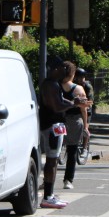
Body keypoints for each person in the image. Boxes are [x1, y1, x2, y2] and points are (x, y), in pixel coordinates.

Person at [38, 58, 86, 208]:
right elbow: (57, 106)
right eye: (62, 69)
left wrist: (72, 102)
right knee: (52, 161)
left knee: (53, 160)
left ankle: (49, 195)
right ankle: (48, 196)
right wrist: (74, 104)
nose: (64, 72)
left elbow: (60, 100)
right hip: (52, 126)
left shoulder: (52, 84)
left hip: (53, 125)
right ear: (56, 69)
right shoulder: (50, 84)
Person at [59, 62, 90, 190]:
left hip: (58, 120)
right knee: (72, 151)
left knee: (54, 152)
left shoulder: (55, 86)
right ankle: (68, 180)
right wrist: (86, 126)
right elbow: (84, 109)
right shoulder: (79, 89)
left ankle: (47, 180)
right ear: (72, 74)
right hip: (74, 121)